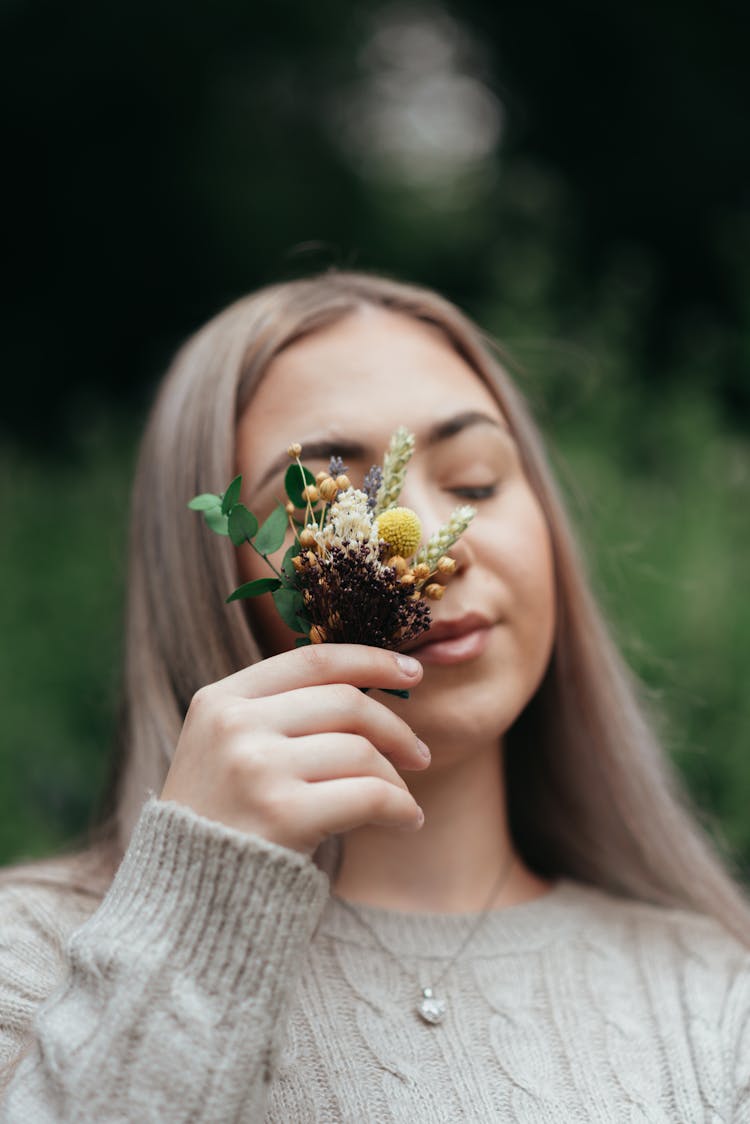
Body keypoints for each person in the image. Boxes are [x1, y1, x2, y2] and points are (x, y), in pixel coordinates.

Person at [0, 270, 748, 1122]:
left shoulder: (715, 997)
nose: (430, 544)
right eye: (336, 497)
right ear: (210, 572)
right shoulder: (34, 966)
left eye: (474, 484)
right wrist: (195, 910)